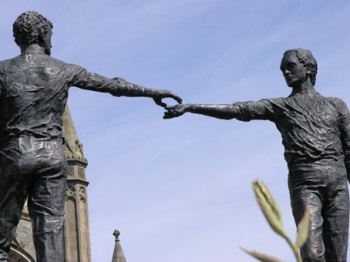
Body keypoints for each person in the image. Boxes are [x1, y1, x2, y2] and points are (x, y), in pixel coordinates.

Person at [0, 11, 181, 262]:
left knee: (2, 229)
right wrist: (152, 92)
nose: (51, 40)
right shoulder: (64, 70)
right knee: (51, 231)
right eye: (50, 34)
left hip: (15, 153)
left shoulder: (3, 70)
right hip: (52, 156)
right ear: (42, 34)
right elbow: (113, 85)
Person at [164, 48, 350, 262]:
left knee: (338, 256)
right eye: (282, 69)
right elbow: (238, 110)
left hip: (337, 185)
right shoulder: (281, 106)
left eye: (290, 66)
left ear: (308, 68)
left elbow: (349, 150)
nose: (285, 72)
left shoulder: (336, 105)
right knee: (313, 255)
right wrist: (190, 107)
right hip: (306, 183)